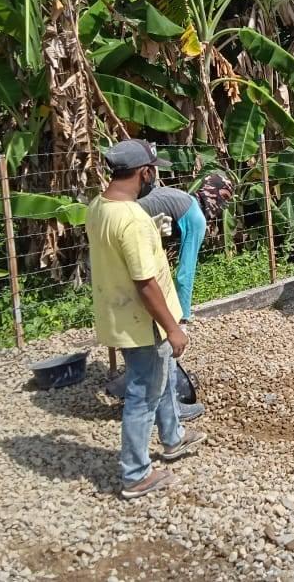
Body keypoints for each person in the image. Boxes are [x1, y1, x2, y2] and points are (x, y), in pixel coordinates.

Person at [87, 139, 206, 499]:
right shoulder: (132, 219)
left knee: (163, 378)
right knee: (143, 394)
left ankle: (173, 438)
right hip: (144, 322)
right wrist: (173, 327)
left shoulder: (97, 206)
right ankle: (136, 473)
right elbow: (145, 283)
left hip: (119, 315)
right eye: (153, 170)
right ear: (144, 172)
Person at [137, 184, 207, 422]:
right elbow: (185, 274)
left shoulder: (177, 200)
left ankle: (142, 384)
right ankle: (166, 404)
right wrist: (181, 320)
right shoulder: (196, 217)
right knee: (162, 343)